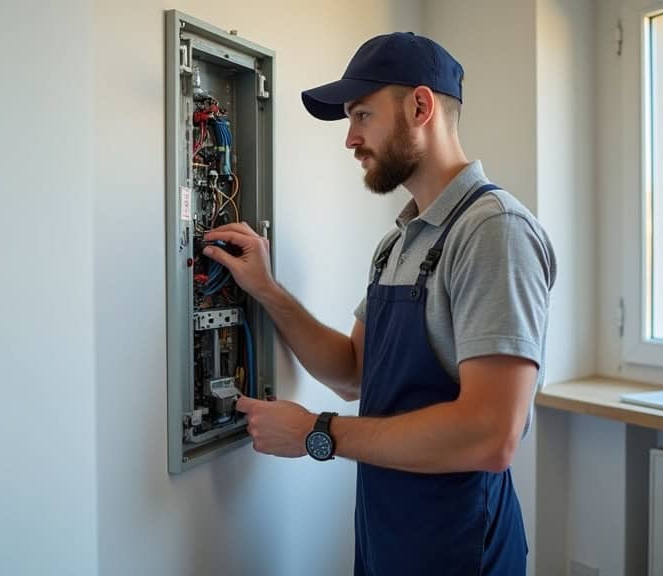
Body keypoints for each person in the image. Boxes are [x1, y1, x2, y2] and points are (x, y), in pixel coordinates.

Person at [201, 31, 556, 576]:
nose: (350, 138)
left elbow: (491, 435)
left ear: (420, 107)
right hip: (388, 538)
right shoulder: (398, 243)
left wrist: (318, 432)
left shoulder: (493, 232)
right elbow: (353, 373)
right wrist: (267, 290)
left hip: (459, 548)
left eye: (362, 115)